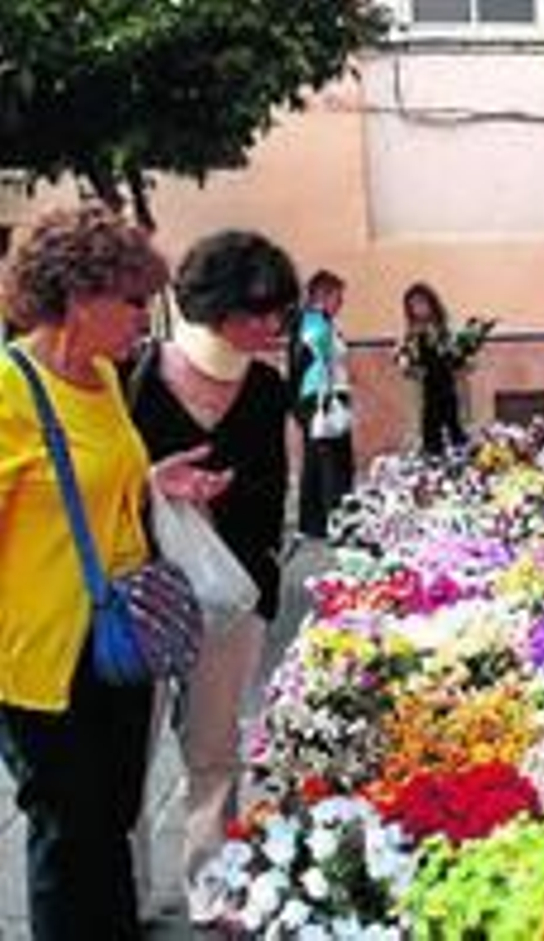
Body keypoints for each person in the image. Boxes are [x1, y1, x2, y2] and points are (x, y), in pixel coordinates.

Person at [0, 204, 227, 940]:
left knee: (114, 821)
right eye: (133, 301)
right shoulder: (8, 393)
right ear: (77, 295)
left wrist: (156, 482)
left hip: (123, 643)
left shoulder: (100, 375)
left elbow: (99, 486)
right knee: (71, 838)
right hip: (45, 659)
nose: (144, 319)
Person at [125, 230, 297, 923]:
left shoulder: (265, 386)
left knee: (214, 749)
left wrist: (222, 491)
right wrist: (160, 487)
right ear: (215, 305)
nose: (270, 324)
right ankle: (126, 889)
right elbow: (107, 486)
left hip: (232, 596)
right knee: (127, 757)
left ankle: (210, 885)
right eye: (257, 309)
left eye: (277, 310)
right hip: (142, 594)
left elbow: (272, 489)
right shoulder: (137, 374)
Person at [288, 268, 352, 540]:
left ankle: (312, 523)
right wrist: (324, 398)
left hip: (315, 396)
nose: (341, 302)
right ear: (322, 295)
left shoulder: (314, 321)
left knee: (316, 461)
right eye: (338, 296)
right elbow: (311, 360)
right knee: (333, 461)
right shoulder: (315, 323)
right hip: (322, 397)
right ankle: (337, 521)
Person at [399, 281, 467, 455]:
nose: (418, 308)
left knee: (455, 426)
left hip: (449, 385)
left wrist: (461, 357)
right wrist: (406, 364)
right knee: (430, 430)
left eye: (422, 303)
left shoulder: (443, 329)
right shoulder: (411, 333)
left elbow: (457, 356)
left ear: (432, 303)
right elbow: (403, 357)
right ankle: (433, 459)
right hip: (426, 388)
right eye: (413, 305)